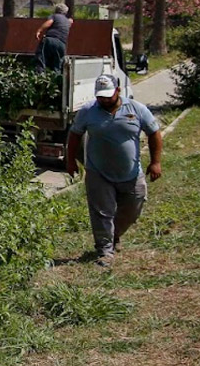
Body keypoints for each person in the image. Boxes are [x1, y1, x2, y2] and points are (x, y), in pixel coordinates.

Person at [66, 74, 163, 267]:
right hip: (98, 172)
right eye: (100, 96)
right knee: (102, 212)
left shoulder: (136, 109)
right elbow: (75, 135)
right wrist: (70, 161)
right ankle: (105, 251)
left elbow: (154, 133)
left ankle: (114, 235)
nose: (104, 100)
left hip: (131, 172)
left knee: (134, 206)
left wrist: (155, 162)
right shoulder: (87, 111)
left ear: (118, 91)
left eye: (108, 96)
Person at [35, 3, 72, 72]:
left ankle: (40, 75)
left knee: (41, 58)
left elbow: (49, 22)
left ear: (56, 10)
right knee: (57, 64)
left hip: (51, 39)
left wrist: (39, 30)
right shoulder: (67, 21)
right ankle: (55, 79)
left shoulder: (55, 16)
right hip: (62, 44)